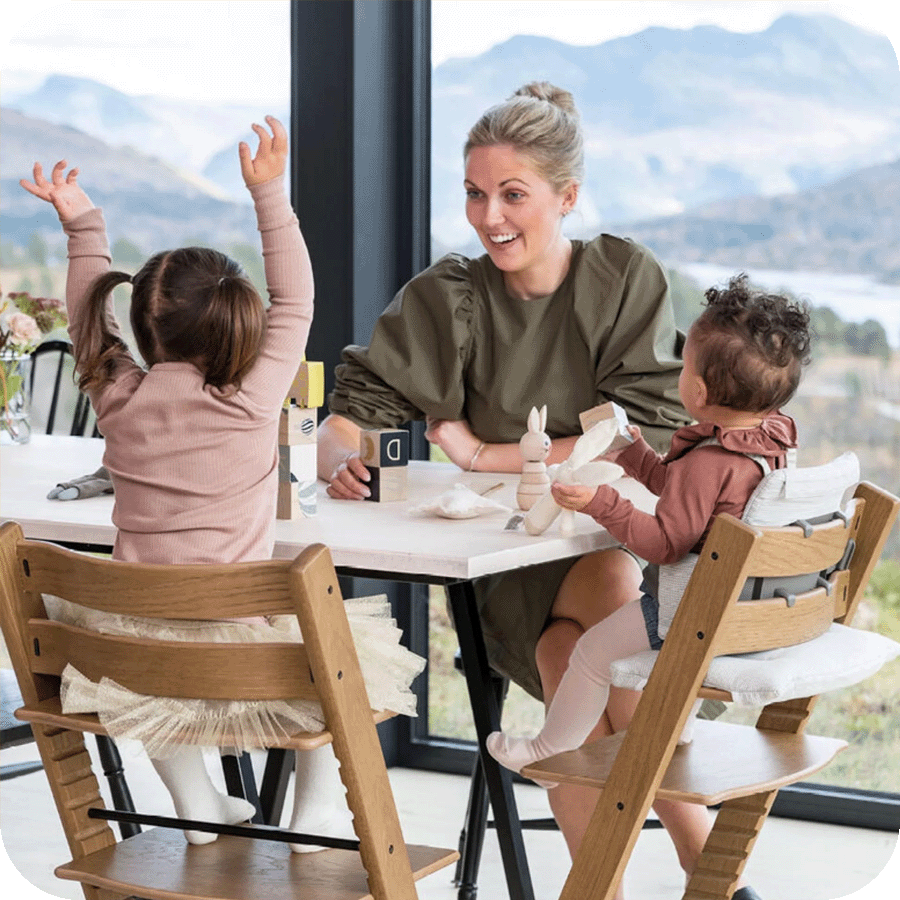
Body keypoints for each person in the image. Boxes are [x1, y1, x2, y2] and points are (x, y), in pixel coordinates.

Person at [20, 117, 424, 850]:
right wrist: (270, 194)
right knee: (333, 651)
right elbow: (297, 302)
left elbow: (88, 325)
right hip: (244, 652)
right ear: (238, 323)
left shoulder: (118, 400)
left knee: (135, 658)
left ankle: (197, 799)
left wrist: (83, 227)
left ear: (146, 334)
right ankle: (315, 809)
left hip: (135, 652)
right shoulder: (251, 403)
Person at [317, 80, 691, 859]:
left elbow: (643, 436)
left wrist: (484, 454)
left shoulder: (621, 279)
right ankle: (711, 870)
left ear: (567, 197)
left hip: (605, 536)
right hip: (506, 559)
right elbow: (351, 413)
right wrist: (342, 456)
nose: (490, 216)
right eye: (475, 193)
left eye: (512, 194)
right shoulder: (449, 298)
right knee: (593, 629)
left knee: (578, 642)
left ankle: (625, 882)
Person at [487, 275, 811, 900]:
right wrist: (636, 454)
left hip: (687, 613)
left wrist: (602, 502)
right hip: (748, 615)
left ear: (698, 390)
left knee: (588, 654)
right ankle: (672, 742)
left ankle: (549, 750)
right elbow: (686, 496)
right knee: (590, 646)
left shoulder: (708, 461)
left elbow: (663, 541)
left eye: (684, 366)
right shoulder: (764, 444)